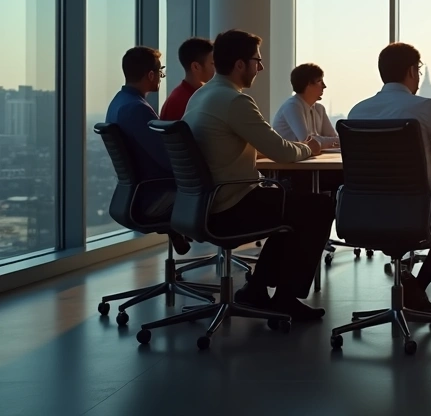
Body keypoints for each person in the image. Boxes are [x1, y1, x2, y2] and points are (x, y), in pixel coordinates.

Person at [182, 29, 332, 321]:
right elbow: (284, 152)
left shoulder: (202, 95)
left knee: (292, 209)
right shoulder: (235, 101)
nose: (261, 68)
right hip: (230, 206)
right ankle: (285, 298)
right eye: (257, 61)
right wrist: (310, 148)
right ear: (240, 64)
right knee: (319, 207)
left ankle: (257, 289)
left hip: (202, 204)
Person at [347, 42, 431, 313]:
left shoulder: (358, 111)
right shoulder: (424, 107)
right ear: (411, 72)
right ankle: (417, 286)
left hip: (364, 214)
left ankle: (411, 287)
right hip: (414, 214)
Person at [104, 46, 189, 255]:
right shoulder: (137, 109)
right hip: (152, 196)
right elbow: (168, 161)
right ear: (150, 75)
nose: (161, 77)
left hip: (133, 194)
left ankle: (178, 234)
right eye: (160, 72)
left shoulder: (117, 103)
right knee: (211, 191)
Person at [272, 63, 339, 148]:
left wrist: (328, 141)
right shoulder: (292, 106)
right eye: (319, 81)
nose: (324, 86)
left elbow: (334, 138)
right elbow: (307, 141)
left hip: (307, 159)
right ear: (308, 84)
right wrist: (333, 141)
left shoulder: (319, 108)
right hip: (287, 160)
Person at [160, 37, 215, 121]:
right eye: (212, 64)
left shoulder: (181, 95)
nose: (216, 68)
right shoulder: (186, 102)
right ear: (196, 67)